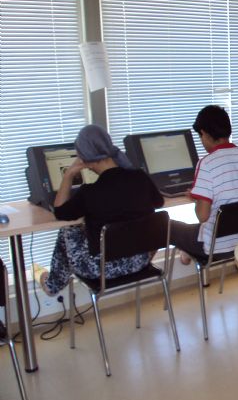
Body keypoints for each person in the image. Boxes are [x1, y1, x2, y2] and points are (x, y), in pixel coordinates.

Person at [39, 125, 164, 296]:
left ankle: (52, 285)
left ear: (85, 159)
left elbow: (60, 212)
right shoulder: (140, 177)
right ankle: (53, 283)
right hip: (140, 261)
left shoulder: (89, 193)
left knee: (68, 229)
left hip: (101, 270)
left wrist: (69, 174)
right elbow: (159, 202)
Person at [170, 105, 238, 262]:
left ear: (204, 133)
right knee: (196, 230)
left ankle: (185, 253)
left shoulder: (207, 163)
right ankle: (186, 253)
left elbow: (202, 216)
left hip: (215, 248)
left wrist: (197, 199)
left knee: (167, 226)